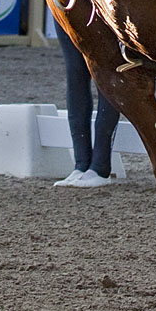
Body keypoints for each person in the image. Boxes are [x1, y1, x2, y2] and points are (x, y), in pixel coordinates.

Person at [52, 22, 121, 188]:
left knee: (105, 70)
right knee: (75, 72)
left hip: (99, 8)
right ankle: (81, 164)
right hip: (64, 7)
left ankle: (100, 166)